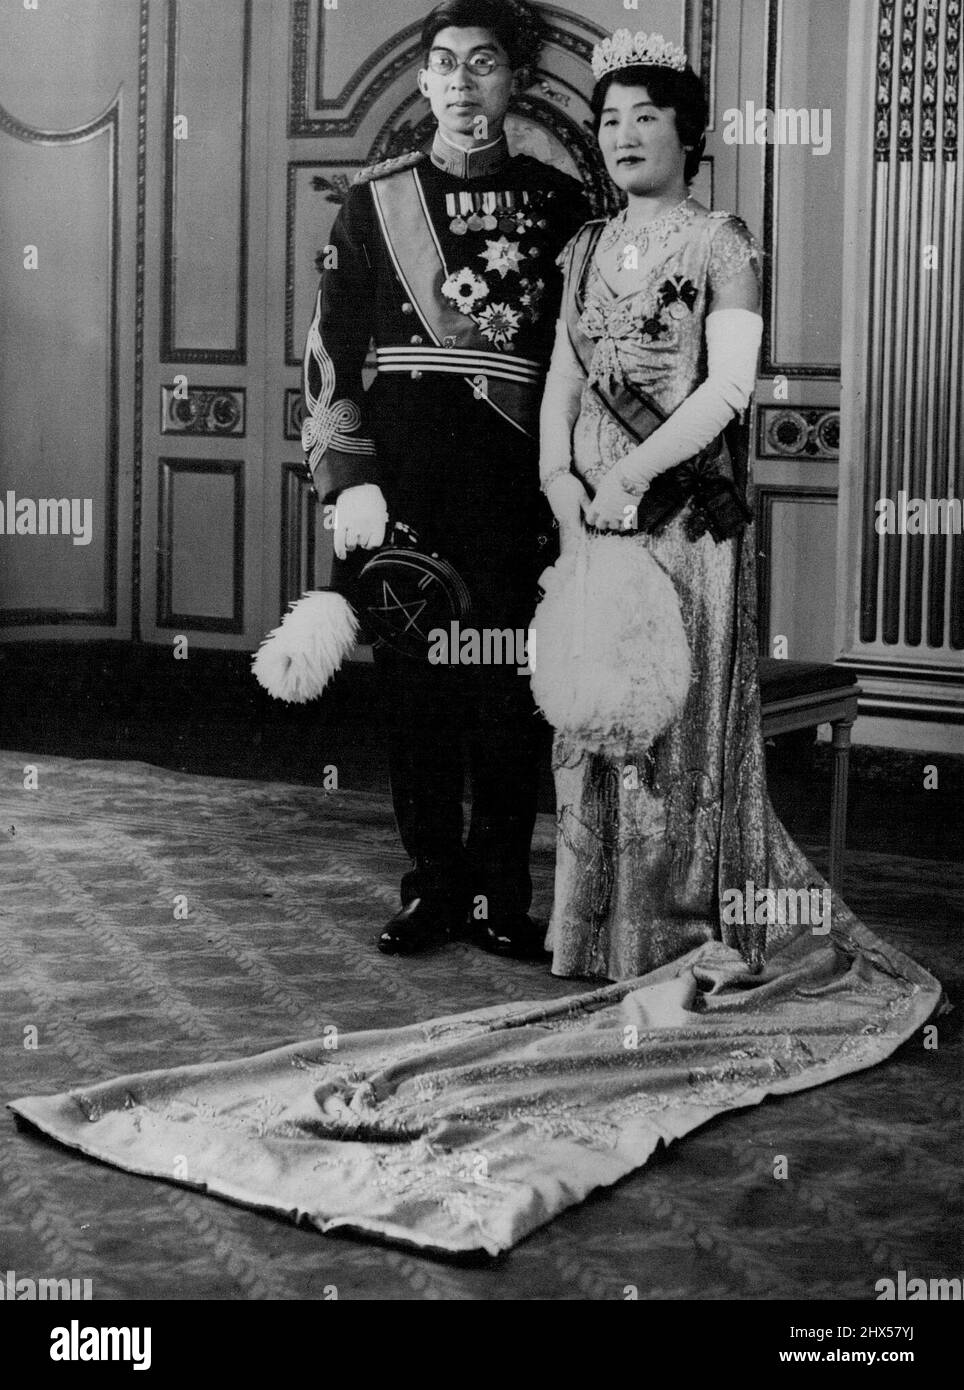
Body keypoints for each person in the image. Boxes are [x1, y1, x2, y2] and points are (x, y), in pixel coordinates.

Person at [301, 0, 590, 958]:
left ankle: (502, 897)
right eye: (446, 65)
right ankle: (431, 888)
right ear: (423, 83)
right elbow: (332, 351)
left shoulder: (561, 210)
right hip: (409, 489)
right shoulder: (372, 204)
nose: (463, 85)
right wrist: (350, 478)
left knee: (508, 698)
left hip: (515, 492)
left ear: (518, 83)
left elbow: (580, 366)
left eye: (485, 64)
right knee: (418, 698)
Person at [534, 30, 821, 980]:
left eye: (644, 116)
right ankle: (586, 929)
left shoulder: (721, 240)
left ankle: (666, 932)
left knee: (667, 723)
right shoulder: (585, 246)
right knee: (588, 710)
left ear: (687, 134)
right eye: (609, 117)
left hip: (680, 516)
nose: (622, 134)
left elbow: (730, 389)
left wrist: (629, 476)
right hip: (590, 519)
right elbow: (561, 378)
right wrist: (561, 483)